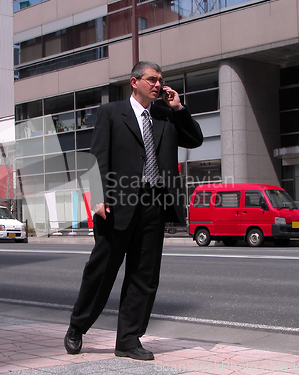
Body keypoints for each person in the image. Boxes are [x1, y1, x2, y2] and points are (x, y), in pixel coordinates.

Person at [64, 61, 203, 361]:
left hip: (154, 205)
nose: (158, 85)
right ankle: (78, 325)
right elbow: (96, 158)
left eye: (161, 81)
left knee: (144, 277)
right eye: (152, 80)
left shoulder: (167, 116)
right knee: (101, 272)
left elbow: (195, 139)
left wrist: (179, 108)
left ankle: (128, 340)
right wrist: (98, 197)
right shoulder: (112, 113)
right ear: (134, 82)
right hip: (115, 209)